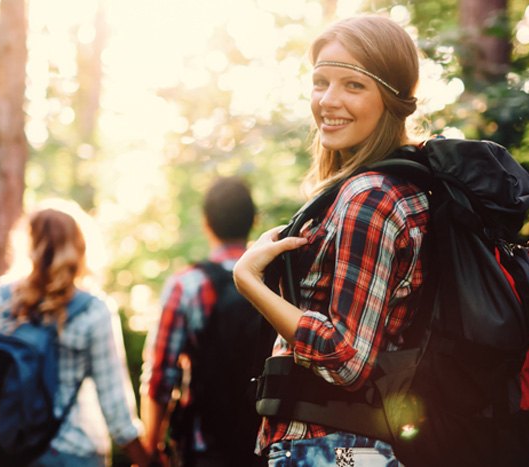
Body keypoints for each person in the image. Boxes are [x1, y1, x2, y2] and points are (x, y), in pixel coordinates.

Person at [233, 15, 428, 466]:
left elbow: (346, 358)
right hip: (355, 452)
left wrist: (250, 282)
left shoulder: (370, 197)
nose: (328, 100)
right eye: (320, 81)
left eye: (353, 85)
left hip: (330, 450)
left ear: (392, 98)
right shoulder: (403, 189)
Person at [0, 201, 151, 467]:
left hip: (14, 449)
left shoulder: (4, 298)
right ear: (80, 246)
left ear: (28, 243)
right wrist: (146, 460)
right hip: (76, 451)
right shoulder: (93, 310)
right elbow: (116, 408)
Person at [141, 176, 266, 467]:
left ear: (206, 223)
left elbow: (160, 376)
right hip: (265, 442)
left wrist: (151, 445)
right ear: (254, 221)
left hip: (204, 443)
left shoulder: (187, 285)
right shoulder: (275, 280)